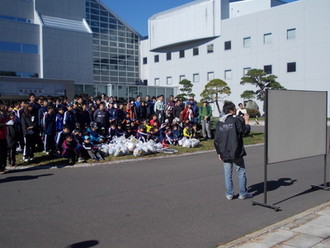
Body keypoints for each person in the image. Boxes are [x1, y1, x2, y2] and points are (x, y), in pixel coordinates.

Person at [214, 101, 252, 200]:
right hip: (236, 151)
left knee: (228, 173)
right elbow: (244, 131)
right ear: (231, 110)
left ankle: (229, 194)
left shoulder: (220, 123)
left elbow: (216, 140)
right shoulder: (235, 121)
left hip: (224, 152)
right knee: (240, 171)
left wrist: (219, 152)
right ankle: (243, 193)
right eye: (234, 108)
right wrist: (247, 121)